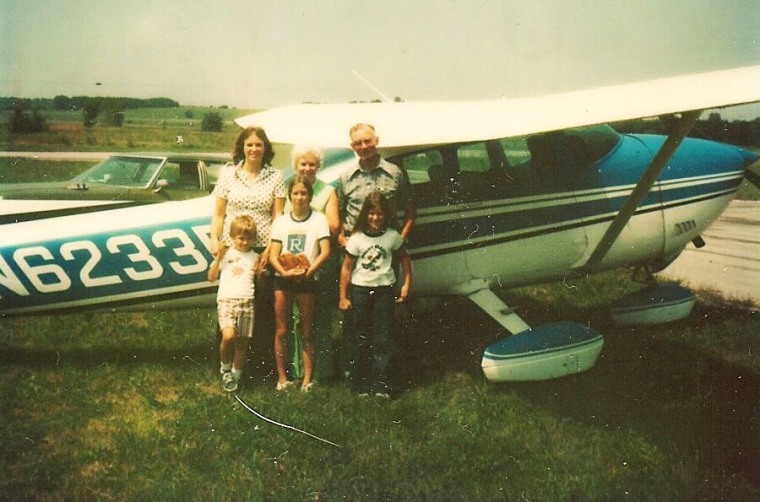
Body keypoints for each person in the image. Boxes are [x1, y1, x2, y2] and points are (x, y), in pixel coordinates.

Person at [210, 126, 285, 378]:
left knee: (260, 306)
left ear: (266, 148)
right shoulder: (229, 175)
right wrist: (214, 239)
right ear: (242, 147)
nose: (254, 149)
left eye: (259, 145)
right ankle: (224, 362)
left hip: (262, 249)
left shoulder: (275, 176)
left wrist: (272, 248)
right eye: (249, 144)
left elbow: (278, 215)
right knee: (230, 301)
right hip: (234, 247)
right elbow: (219, 213)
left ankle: (257, 364)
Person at [339, 191, 412, 398]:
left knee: (383, 337)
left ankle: (380, 384)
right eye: (371, 214)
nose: (375, 218)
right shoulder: (357, 239)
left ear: (385, 215)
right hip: (361, 291)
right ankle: (360, 384)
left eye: (379, 214)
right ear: (365, 215)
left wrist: (406, 285)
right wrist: (343, 296)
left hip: (384, 292)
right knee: (360, 337)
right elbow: (346, 268)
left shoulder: (392, 236)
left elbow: (405, 260)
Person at [270, 176, 331, 391]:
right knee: (282, 329)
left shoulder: (319, 219)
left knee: (306, 330)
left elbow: (325, 251)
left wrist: (310, 270)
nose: (299, 197)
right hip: (283, 279)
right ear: (290, 196)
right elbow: (273, 255)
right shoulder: (281, 222)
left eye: (303, 193)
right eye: (295, 193)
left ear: (310, 196)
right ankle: (282, 378)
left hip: (307, 279)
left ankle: (307, 379)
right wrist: (283, 272)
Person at [285, 145, 341, 383]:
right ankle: (296, 370)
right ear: (295, 165)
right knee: (293, 318)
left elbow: (334, 225)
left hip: (319, 262)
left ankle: (321, 371)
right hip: (290, 263)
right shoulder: (290, 188)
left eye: (311, 164)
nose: (307, 168)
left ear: (319, 166)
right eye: (302, 163)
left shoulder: (327, 191)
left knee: (319, 317)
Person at [337, 123, 415, 246]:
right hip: (355, 246)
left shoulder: (395, 173)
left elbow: (410, 209)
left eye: (367, 141)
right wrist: (341, 238)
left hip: (388, 245)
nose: (363, 147)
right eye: (358, 143)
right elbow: (339, 212)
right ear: (352, 147)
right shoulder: (345, 177)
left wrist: (402, 238)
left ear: (376, 141)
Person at [208, 215, 259, 393]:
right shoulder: (227, 254)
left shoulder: (255, 257)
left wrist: (262, 272)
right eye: (241, 238)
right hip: (227, 300)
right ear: (232, 237)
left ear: (254, 239)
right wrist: (218, 257)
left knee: (242, 343)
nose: (245, 242)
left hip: (247, 301)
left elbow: (258, 278)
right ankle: (225, 368)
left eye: (249, 239)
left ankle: (236, 377)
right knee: (228, 336)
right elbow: (211, 277)